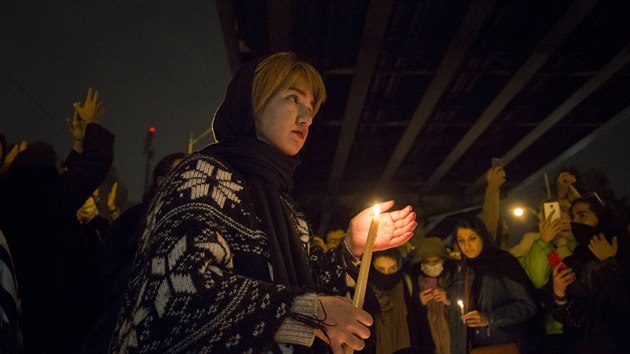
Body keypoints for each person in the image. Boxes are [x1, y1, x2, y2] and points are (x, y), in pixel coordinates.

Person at [109, 52, 417, 354]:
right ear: (254, 103)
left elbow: (306, 285)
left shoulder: (285, 206)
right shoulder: (202, 177)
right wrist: (310, 313)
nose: (306, 117)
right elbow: (179, 291)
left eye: (310, 107)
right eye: (293, 98)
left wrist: (352, 247)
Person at [0, 88, 113, 353]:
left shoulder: (20, 199)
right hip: (53, 326)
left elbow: (67, 182)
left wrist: (76, 145)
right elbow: (95, 163)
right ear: (48, 171)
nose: (65, 170)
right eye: (59, 164)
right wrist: (93, 127)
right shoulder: (46, 201)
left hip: (27, 318)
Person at [550, 196, 630, 353]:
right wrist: (559, 294)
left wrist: (609, 262)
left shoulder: (624, 252)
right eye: (573, 218)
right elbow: (570, 320)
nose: (576, 223)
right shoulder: (574, 260)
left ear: (601, 218)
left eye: (583, 216)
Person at [449, 217, 537, 354]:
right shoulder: (462, 269)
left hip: (502, 344)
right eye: (461, 240)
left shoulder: (503, 262)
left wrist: (490, 318)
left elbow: (527, 305)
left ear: (482, 237)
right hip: (471, 347)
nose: (467, 246)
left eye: (472, 238)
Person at [360, 248, 417, 354]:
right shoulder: (364, 290)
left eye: (392, 269)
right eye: (380, 269)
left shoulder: (405, 284)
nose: (386, 274)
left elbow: (414, 324)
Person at [408, 237, 454, 354]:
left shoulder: (453, 279)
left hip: (451, 338)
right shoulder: (412, 282)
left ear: (443, 260)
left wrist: (449, 301)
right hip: (426, 340)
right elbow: (409, 316)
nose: (432, 266)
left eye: (436, 261)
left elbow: (463, 309)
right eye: (428, 262)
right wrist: (419, 303)